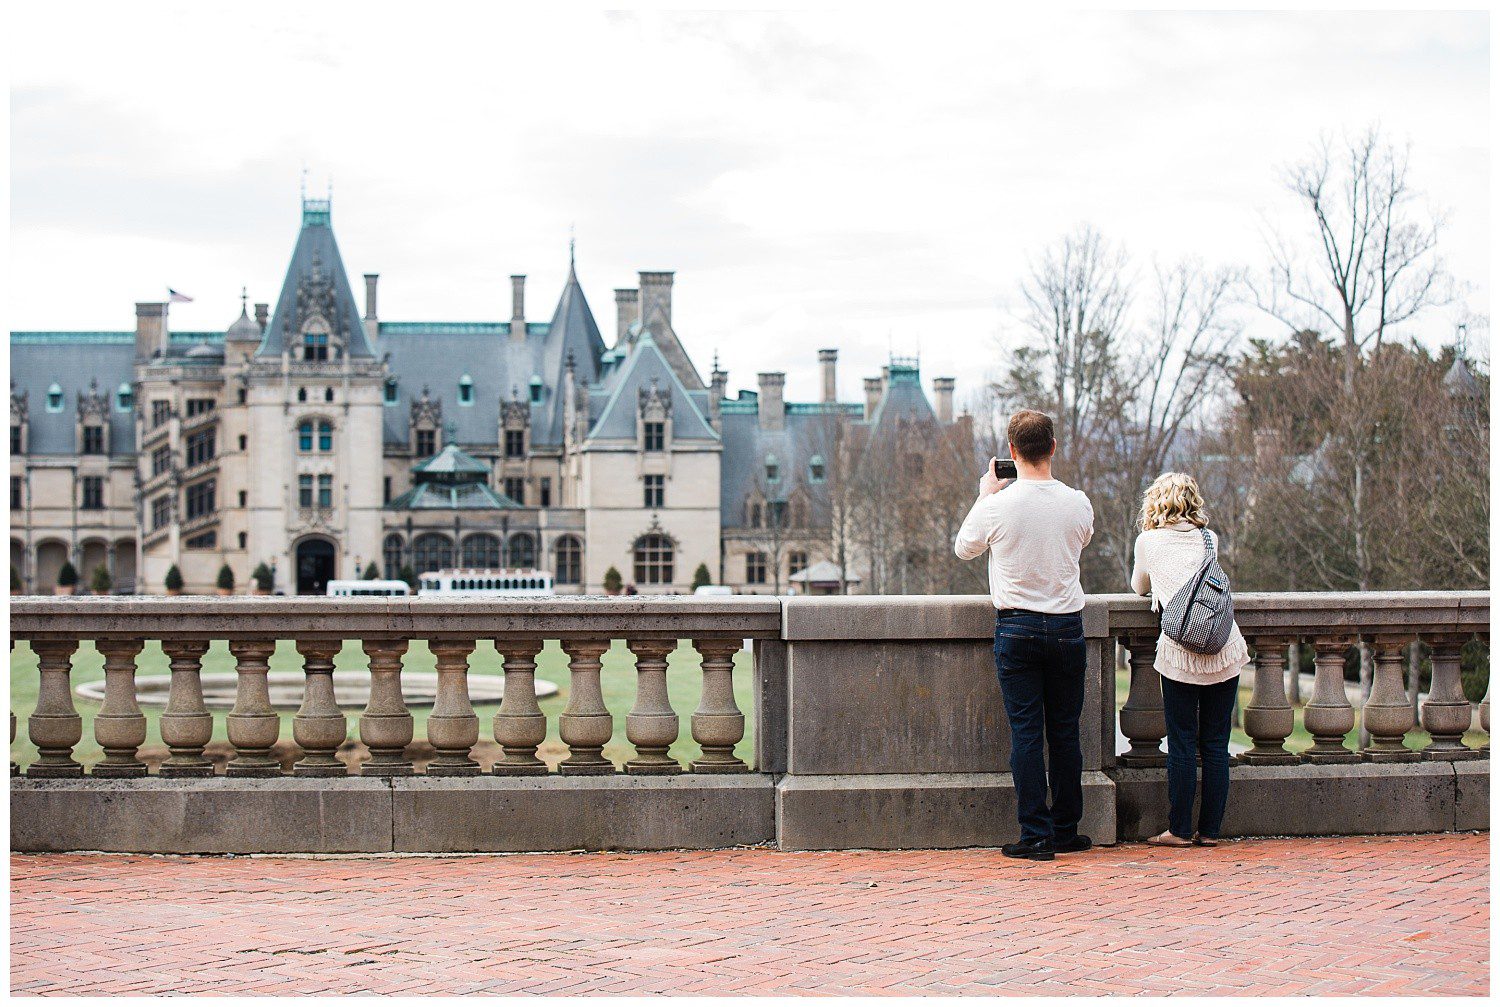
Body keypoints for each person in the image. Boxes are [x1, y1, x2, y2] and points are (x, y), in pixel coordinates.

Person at [954, 409, 1094, 862]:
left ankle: (1035, 834)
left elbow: (964, 548)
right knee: (1066, 732)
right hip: (1068, 627)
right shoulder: (1077, 501)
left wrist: (984, 495)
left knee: (1027, 733)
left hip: (1017, 628)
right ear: (1052, 447)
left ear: (1012, 452)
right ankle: (1066, 828)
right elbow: (1081, 539)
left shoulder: (997, 505)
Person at [1130, 472, 1249, 848]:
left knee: (1181, 743)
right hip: (1223, 645)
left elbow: (1140, 586)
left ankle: (1179, 830)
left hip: (1181, 651)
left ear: (1156, 502)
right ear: (1193, 500)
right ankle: (1211, 831)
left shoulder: (1147, 541)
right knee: (1216, 743)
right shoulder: (1209, 538)